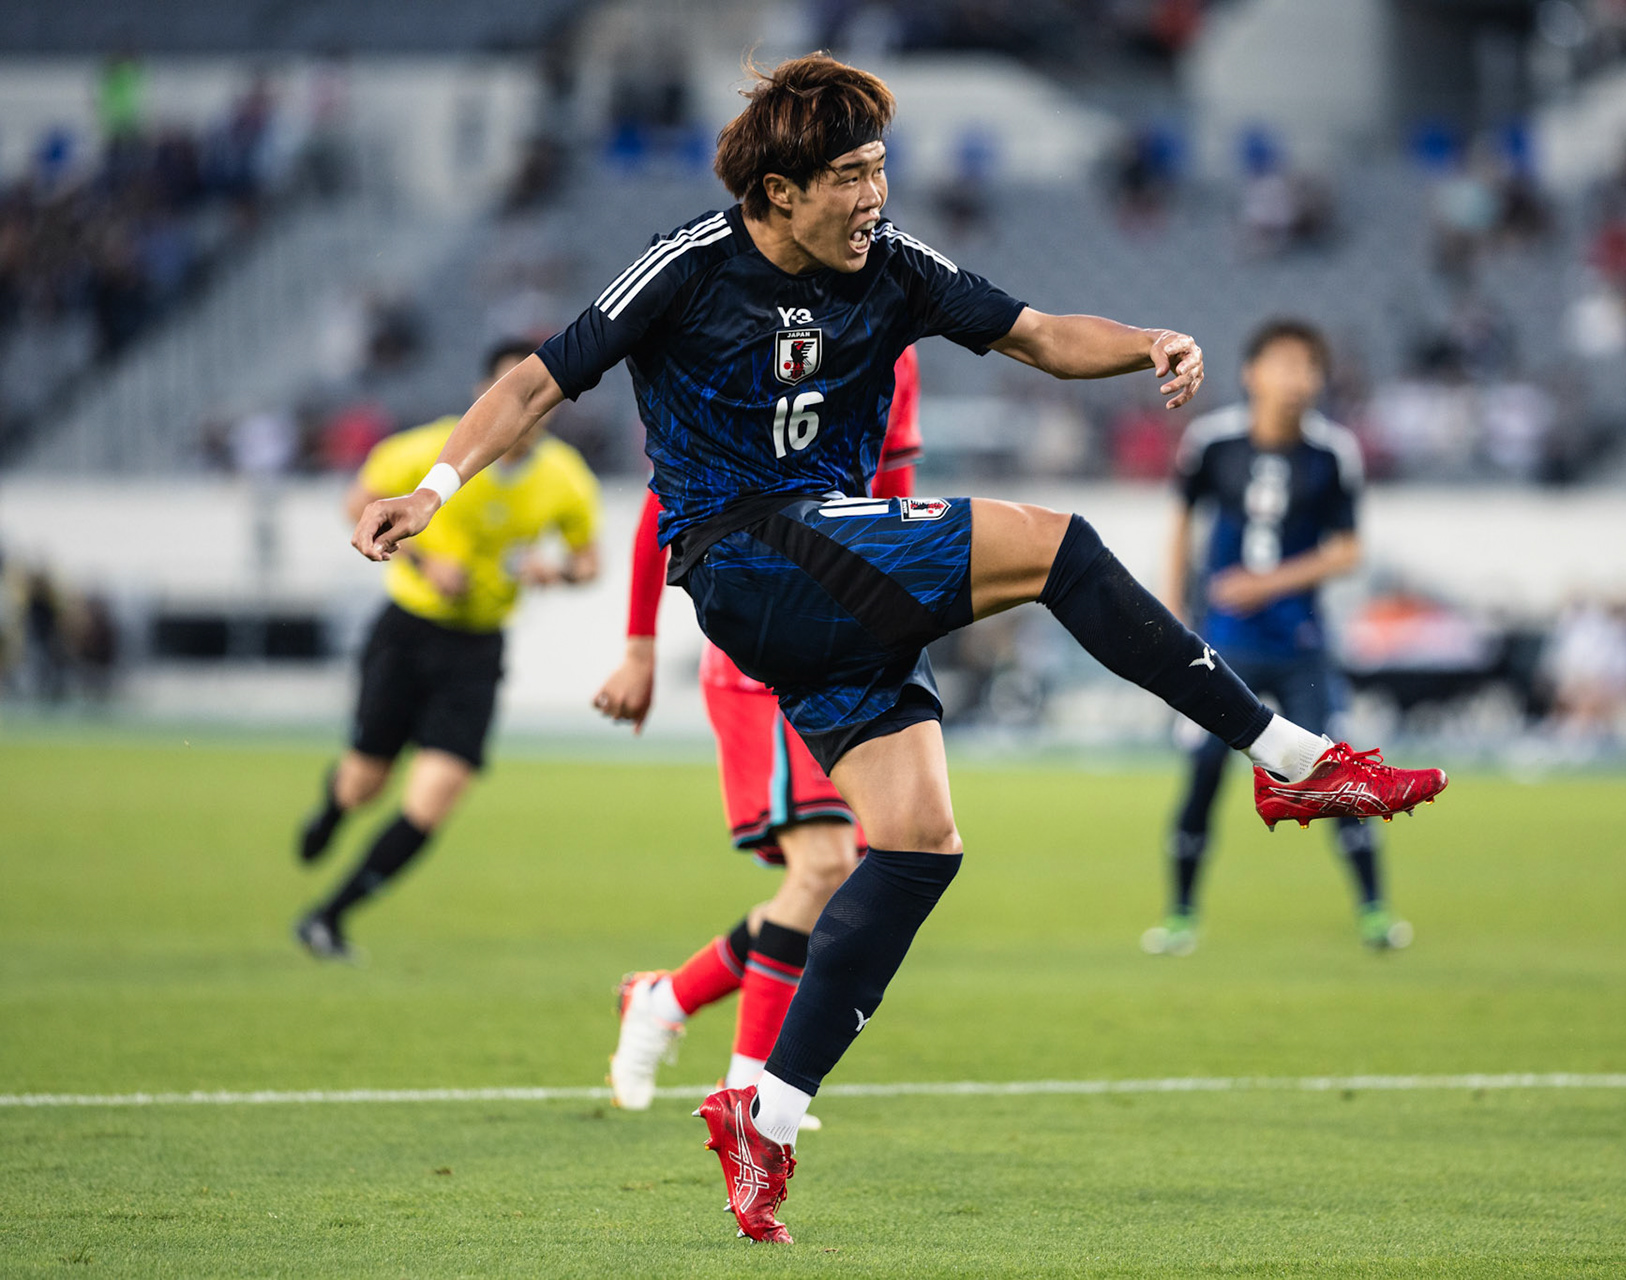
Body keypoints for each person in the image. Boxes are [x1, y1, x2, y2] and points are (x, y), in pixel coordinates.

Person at [346, 55, 1445, 1242]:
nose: (876, 193)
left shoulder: (897, 268)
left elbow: (1037, 335)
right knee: (1061, 546)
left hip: (833, 581)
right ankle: (1291, 754)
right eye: (852, 174)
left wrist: (1148, 342)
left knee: (918, 844)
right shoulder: (688, 265)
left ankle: (764, 1111)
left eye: (881, 167)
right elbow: (535, 382)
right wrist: (438, 484)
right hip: (748, 557)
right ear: (776, 190)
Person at [593, 345, 922, 1114]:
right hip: (763, 635)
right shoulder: (753, 326)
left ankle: (668, 998)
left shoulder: (897, 341)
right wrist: (639, 645)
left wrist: (902, 619)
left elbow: (894, 492)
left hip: (850, 639)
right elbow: (667, 495)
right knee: (823, 866)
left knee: (847, 874)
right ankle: (750, 1094)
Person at [294, 340, 601, 960]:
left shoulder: (564, 477)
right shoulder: (429, 448)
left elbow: (590, 563)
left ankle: (328, 916)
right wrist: (427, 561)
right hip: (408, 631)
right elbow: (358, 502)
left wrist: (557, 573)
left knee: (434, 799)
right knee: (364, 785)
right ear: (482, 395)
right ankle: (334, 806)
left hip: (478, 649)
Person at [1143, 320, 1409, 959]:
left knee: (1333, 770)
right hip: (1222, 646)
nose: (1296, 378)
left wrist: (1267, 583)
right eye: (1283, 363)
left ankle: (1375, 913)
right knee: (1204, 770)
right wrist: (1174, 622)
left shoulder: (1331, 453)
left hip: (1301, 645)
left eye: (1307, 366)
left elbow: (1347, 550)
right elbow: (1182, 527)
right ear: (1251, 373)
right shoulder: (1212, 444)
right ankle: (1180, 917)